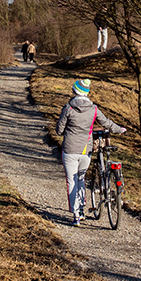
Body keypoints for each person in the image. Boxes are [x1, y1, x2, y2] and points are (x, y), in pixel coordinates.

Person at [56, 79, 126, 226]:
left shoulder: (68, 108)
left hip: (69, 150)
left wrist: (65, 130)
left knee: (71, 181)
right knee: (81, 179)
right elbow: (106, 122)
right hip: (85, 151)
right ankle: (81, 209)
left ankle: (76, 214)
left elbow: (59, 130)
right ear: (86, 93)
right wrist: (119, 130)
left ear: (75, 91)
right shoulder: (94, 109)